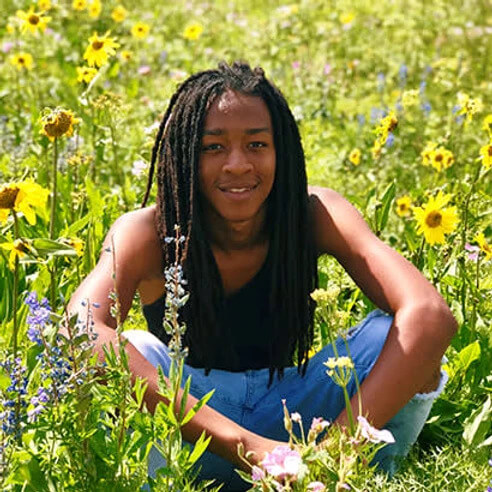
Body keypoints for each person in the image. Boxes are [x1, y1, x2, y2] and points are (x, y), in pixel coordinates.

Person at [69, 61, 456, 490]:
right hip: (188, 435)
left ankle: (350, 479)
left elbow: (430, 314)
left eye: (257, 144)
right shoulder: (147, 232)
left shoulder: (314, 215)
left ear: (282, 151)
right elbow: (81, 327)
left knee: (396, 334)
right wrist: (249, 446)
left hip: (300, 420)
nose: (237, 165)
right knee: (130, 347)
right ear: (183, 156)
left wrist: (331, 456)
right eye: (212, 148)